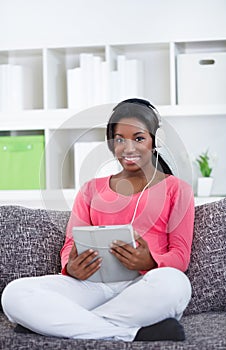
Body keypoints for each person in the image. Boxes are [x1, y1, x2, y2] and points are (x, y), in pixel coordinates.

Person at [1, 98, 195, 342]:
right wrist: (71, 266)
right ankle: (126, 333)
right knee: (15, 294)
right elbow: (71, 243)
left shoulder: (177, 189)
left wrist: (151, 261)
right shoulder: (90, 190)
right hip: (93, 285)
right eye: (119, 139)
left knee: (176, 284)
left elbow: (180, 254)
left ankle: (57, 324)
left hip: (145, 284)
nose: (128, 148)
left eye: (139, 138)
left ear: (155, 140)